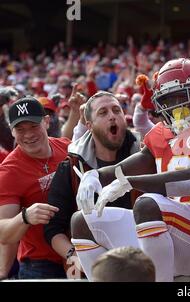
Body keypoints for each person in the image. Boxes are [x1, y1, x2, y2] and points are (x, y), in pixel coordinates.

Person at [70, 58, 190, 282]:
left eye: (183, 97)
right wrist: (94, 175)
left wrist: (132, 182)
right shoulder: (161, 133)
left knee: (148, 204)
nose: (176, 107)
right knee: (82, 221)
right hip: (162, 235)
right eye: (169, 100)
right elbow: (128, 166)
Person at [44, 91, 141, 271]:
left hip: (141, 259)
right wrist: (75, 256)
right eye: (103, 113)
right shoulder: (70, 167)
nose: (112, 116)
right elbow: (53, 229)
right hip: (92, 265)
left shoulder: (144, 156)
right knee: (79, 219)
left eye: (116, 110)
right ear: (89, 125)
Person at [0, 97, 70, 279]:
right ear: (12, 132)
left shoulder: (67, 148)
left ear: (46, 122)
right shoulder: (9, 171)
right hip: (40, 264)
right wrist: (24, 217)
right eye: (20, 129)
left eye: (33, 126)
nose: (28, 134)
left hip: (77, 252)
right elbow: (3, 233)